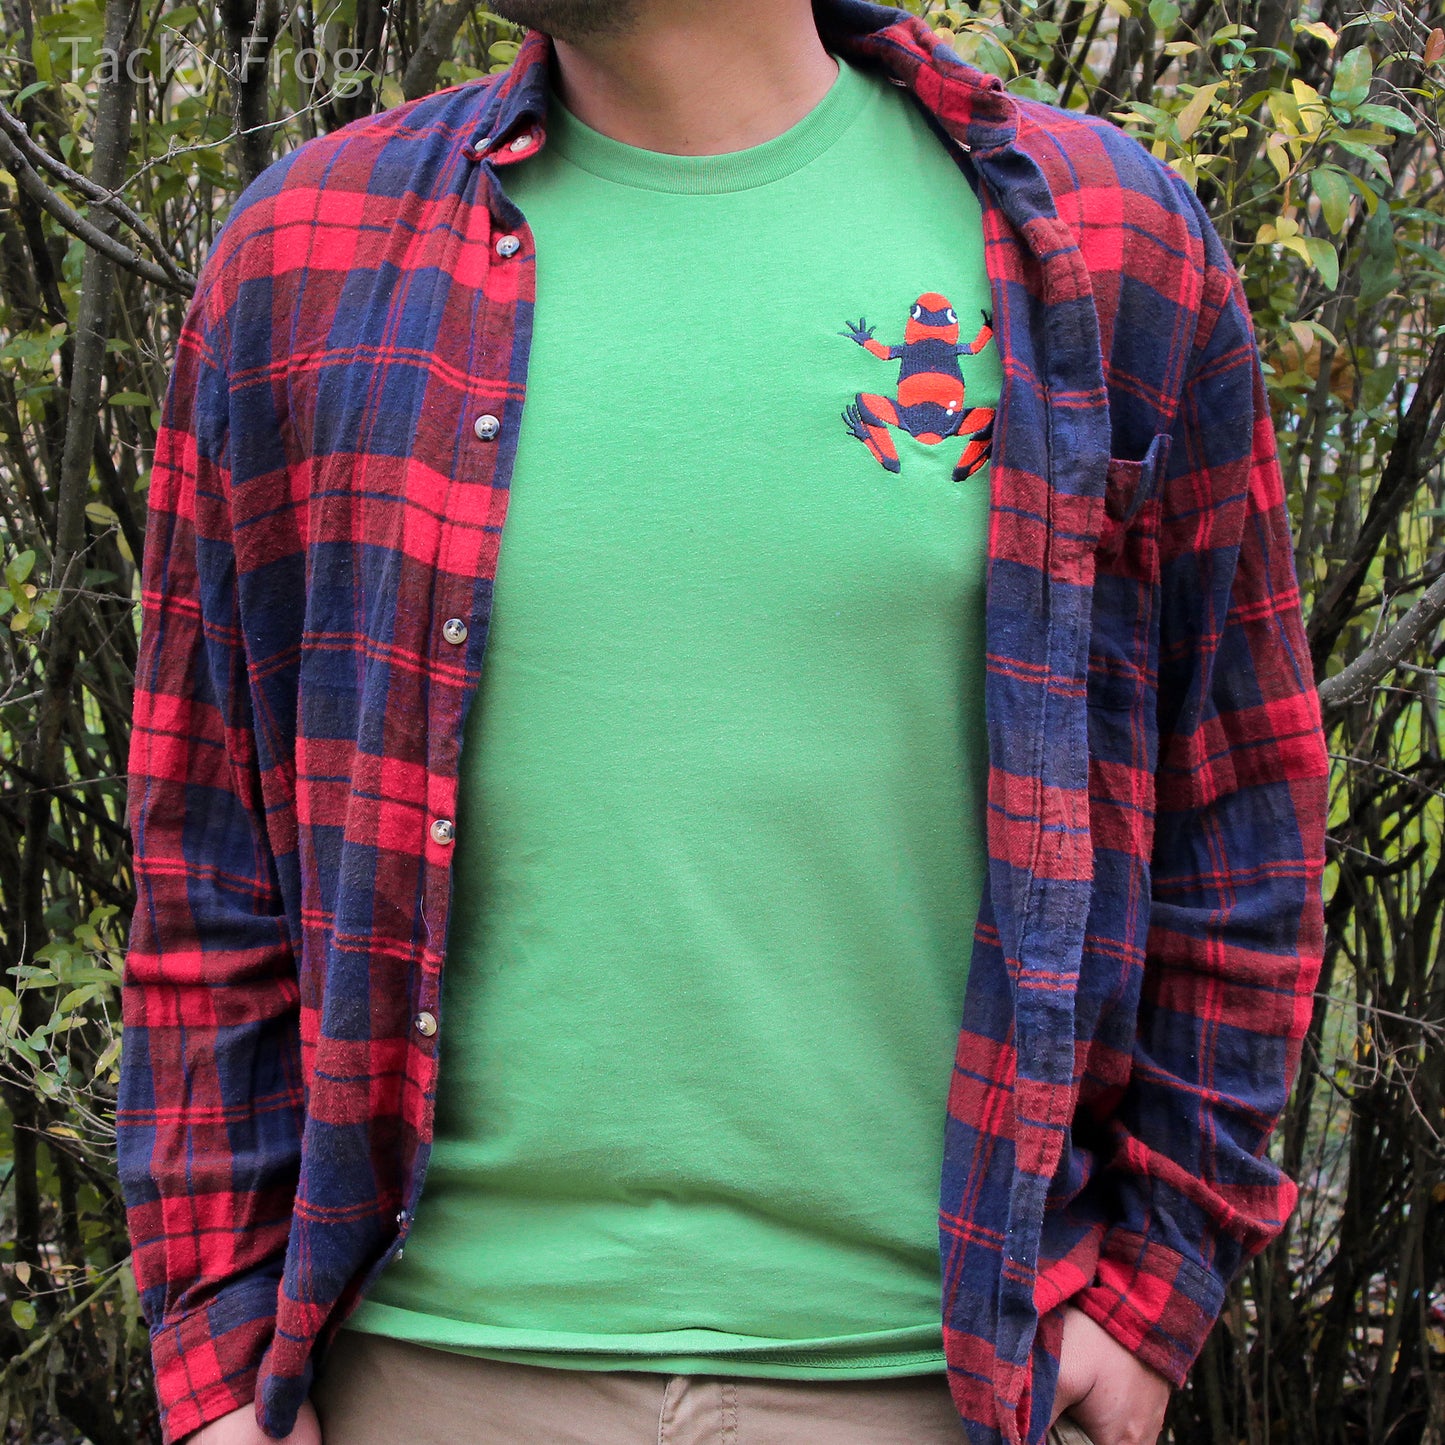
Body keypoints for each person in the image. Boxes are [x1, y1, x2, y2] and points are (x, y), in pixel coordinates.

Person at [116, 1, 1330, 1442]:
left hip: (941, 1380)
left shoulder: (1099, 242)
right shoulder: (309, 260)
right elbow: (201, 856)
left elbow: (1241, 811)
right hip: (422, 1371)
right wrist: (214, 1358)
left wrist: (1150, 1293)